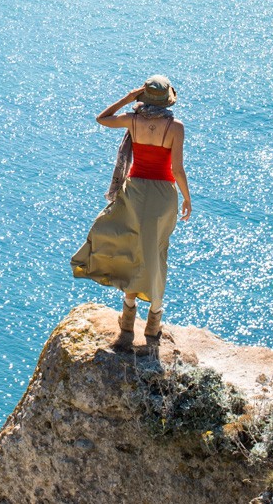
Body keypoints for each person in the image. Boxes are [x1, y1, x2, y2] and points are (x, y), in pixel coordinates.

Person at [70, 75, 191, 351]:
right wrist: (187, 198)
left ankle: (127, 320)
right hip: (162, 197)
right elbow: (177, 170)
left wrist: (127, 98)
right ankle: (153, 323)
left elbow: (102, 118)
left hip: (134, 192)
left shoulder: (133, 120)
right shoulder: (176, 127)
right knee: (156, 254)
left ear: (143, 97)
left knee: (131, 247)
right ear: (167, 100)